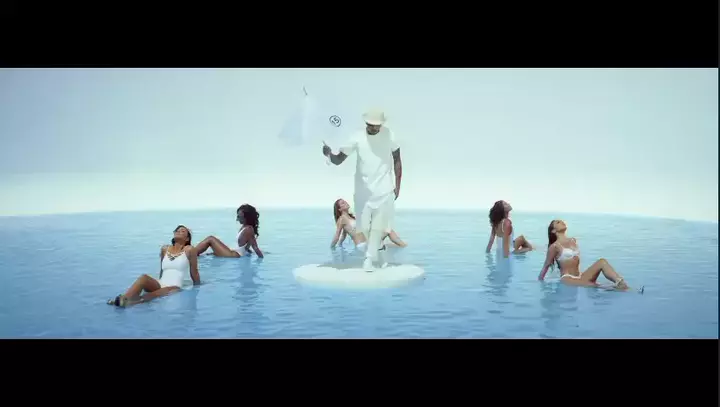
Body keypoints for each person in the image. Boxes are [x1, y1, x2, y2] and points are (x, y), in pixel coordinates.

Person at [323, 109, 402, 271]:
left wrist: (398, 185)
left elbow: (397, 160)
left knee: (378, 227)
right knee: (364, 228)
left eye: (377, 125)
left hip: (384, 189)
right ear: (366, 123)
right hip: (363, 191)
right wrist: (329, 154)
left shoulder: (389, 135)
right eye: (371, 125)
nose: (374, 127)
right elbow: (338, 160)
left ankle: (369, 260)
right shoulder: (356, 137)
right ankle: (379, 257)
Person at [538, 219, 643, 293]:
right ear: (553, 230)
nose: (561, 222)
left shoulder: (573, 240)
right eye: (558, 222)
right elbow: (545, 266)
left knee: (602, 262)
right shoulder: (554, 246)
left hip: (580, 275)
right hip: (568, 279)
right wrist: (539, 284)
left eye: (561, 221)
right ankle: (631, 291)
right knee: (596, 285)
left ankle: (620, 283)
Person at [107, 225, 200, 307]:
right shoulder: (165, 249)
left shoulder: (189, 250)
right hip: (161, 283)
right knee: (143, 278)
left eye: (183, 231)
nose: (179, 232)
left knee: (159, 293)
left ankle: (131, 302)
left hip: (175, 287)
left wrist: (198, 288)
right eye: (177, 230)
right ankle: (125, 298)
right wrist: (156, 283)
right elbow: (162, 270)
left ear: (187, 239)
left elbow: (194, 272)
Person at [330, 198, 407, 250]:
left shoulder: (351, 218)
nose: (346, 202)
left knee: (392, 246)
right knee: (388, 230)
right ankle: (405, 247)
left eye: (345, 201)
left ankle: (403, 246)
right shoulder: (342, 219)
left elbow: (343, 236)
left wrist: (340, 245)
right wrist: (332, 248)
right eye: (343, 203)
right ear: (339, 209)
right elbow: (337, 235)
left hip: (367, 243)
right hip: (362, 245)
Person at [195, 204, 264, 258]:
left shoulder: (249, 229)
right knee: (211, 251)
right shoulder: (245, 227)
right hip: (233, 252)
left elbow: (255, 247)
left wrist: (261, 258)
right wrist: (248, 252)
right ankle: (194, 253)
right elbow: (246, 246)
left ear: (247, 218)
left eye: (239, 217)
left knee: (210, 239)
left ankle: (191, 253)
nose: (237, 219)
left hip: (234, 255)